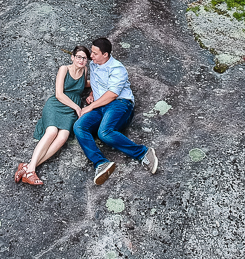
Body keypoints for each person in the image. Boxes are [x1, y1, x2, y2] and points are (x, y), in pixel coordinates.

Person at [73, 37, 158, 185]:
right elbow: (95, 82)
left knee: (104, 132)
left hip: (119, 104)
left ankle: (143, 153)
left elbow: (113, 94)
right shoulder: (93, 65)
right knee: (79, 126)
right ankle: (101, 163)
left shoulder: (117, 68)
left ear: (105, 54)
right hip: (100, 106)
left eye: (95, 53)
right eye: (91, 52)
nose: (91, 56)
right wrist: (92, 94)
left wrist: (91, 106)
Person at [15, 45, 90, 186]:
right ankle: (30, 172)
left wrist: (100, 86)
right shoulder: (64, 69)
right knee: (51, 132)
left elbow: (84, 84)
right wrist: (76, 107)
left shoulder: (85, 70)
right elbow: (59, 94)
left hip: (69, 111)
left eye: (84, 58)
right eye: (78, 57)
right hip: (57, 104)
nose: (81, 60)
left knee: (62, 138)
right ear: (72, 57)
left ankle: (27, 167)